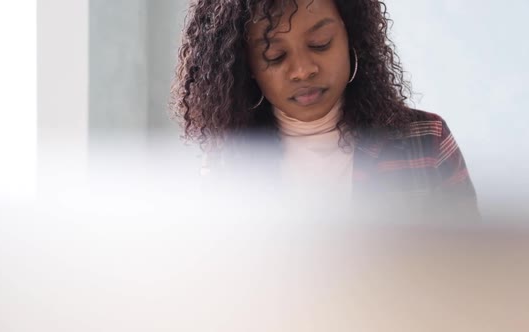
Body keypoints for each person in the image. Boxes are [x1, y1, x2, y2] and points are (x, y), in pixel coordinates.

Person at [170, 0, 480, 222]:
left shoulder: (426, 142)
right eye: (275, 56)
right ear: (248, 68)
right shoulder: (231, 159)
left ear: (352, 38)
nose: (303, 70)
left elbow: (475, 275)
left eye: (320, 43)